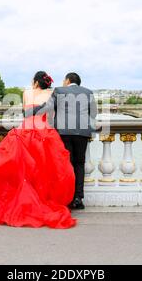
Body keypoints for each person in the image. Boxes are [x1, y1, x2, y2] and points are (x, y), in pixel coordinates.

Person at [0, 71, 77, 229]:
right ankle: (40, 199)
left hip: (25, 131)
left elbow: (26, 114)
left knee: (23, 170)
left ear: (35, 82)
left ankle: (23, 201)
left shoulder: (26, 93)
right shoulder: (51, 94)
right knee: (43, 170)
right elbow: (50, 116)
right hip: (44, 132)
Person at [42, 73, 97, 210]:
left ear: (68, 80)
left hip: (64, 132)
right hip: (82, 132)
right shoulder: (88, 92)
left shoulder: (60, 91)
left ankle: (67, 197)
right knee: (79, 164)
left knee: (67, 164)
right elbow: (94, 113)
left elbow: (48, 107)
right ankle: (78, 198)